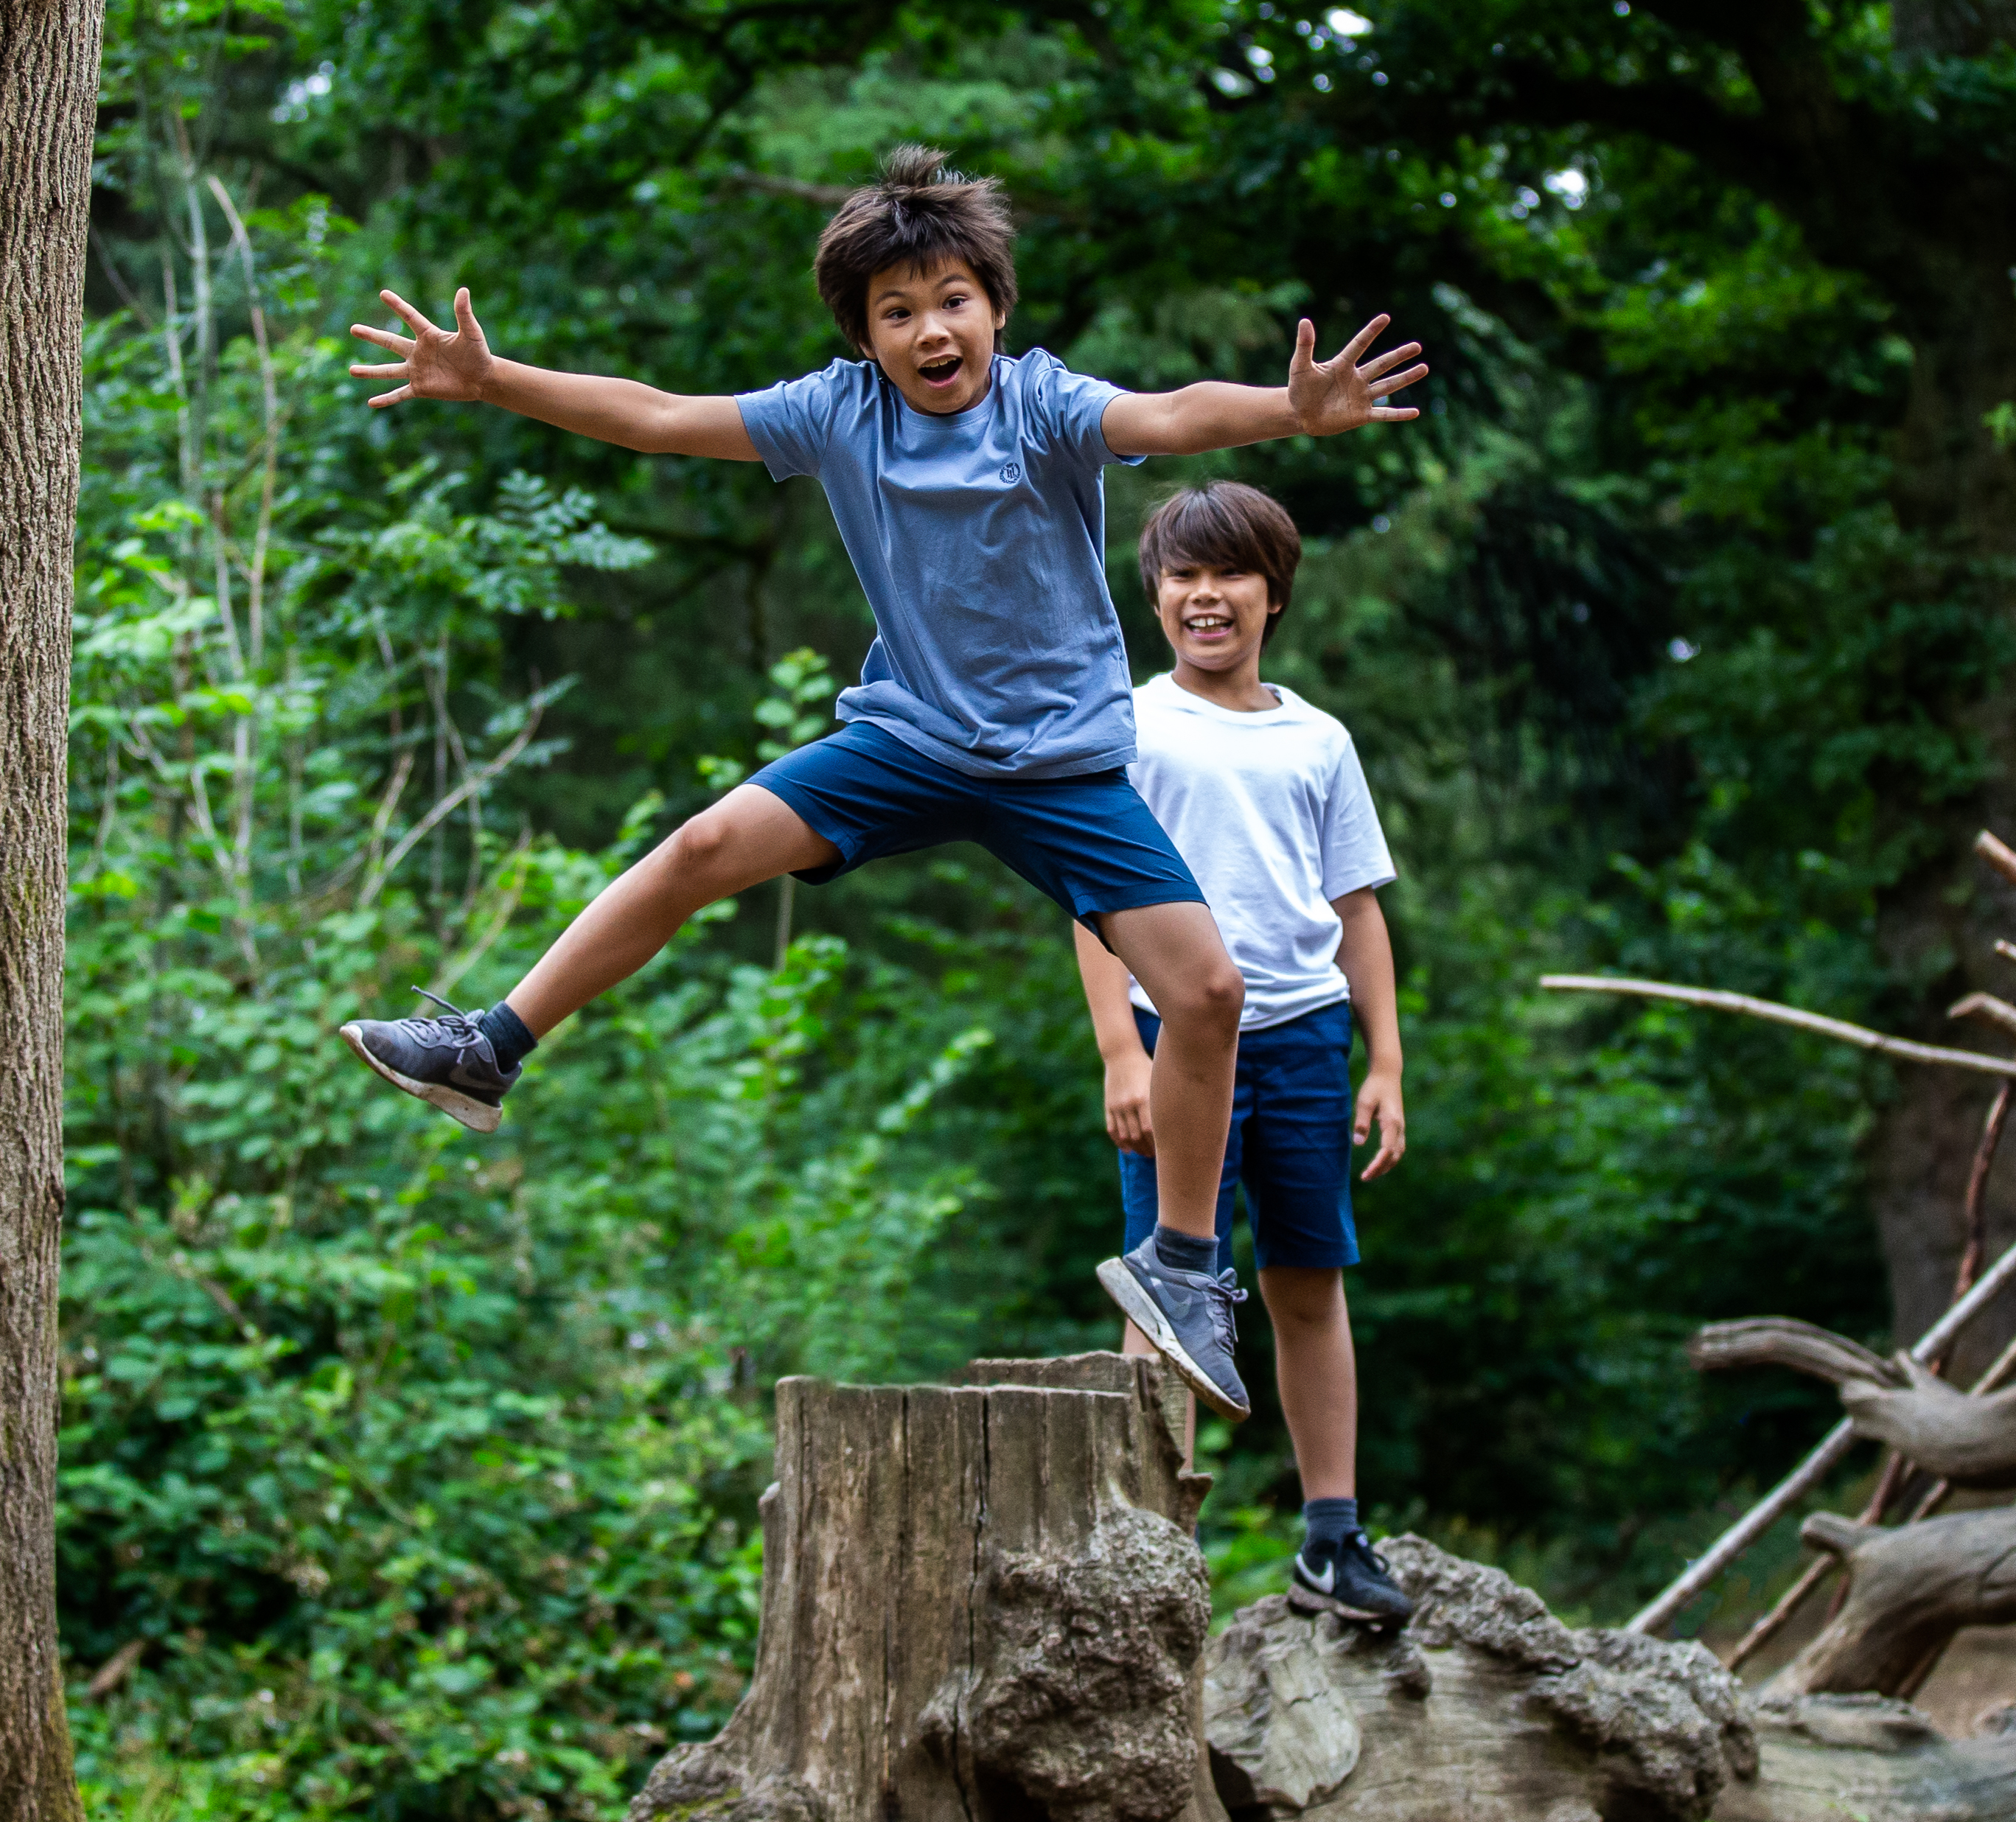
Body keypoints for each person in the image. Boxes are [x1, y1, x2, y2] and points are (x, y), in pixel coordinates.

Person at [336, 146, 1425, 1422]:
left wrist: (1290, 413)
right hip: (907, 740)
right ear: (863, 336)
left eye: (952, 298)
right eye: (895, 311)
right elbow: (662, 416)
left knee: (1211, 990)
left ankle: (1184, 1269)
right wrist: (493, 381)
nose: (930, 329)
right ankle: (488, 1047)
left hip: (1065, 767)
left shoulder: (1043, 405)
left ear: (996, 309)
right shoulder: (836, 415)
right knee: (700, 849)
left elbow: (1168, 415)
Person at [1070, 481, 1414, 1624]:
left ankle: (1332, 1541)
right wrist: (1122, 1050)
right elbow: (1091, 902)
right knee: (1167, 1284)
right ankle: (1130, 1547)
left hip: (1306, 1035)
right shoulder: (1123, 723)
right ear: (1156, 595)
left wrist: (1385, 1064)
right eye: (1184, 576)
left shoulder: (1319, 738)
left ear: (1274, 595)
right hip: (1174, 1039)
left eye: (1231, 576)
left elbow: (1357, 909)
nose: (1205, 596)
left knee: (1307, 1285)